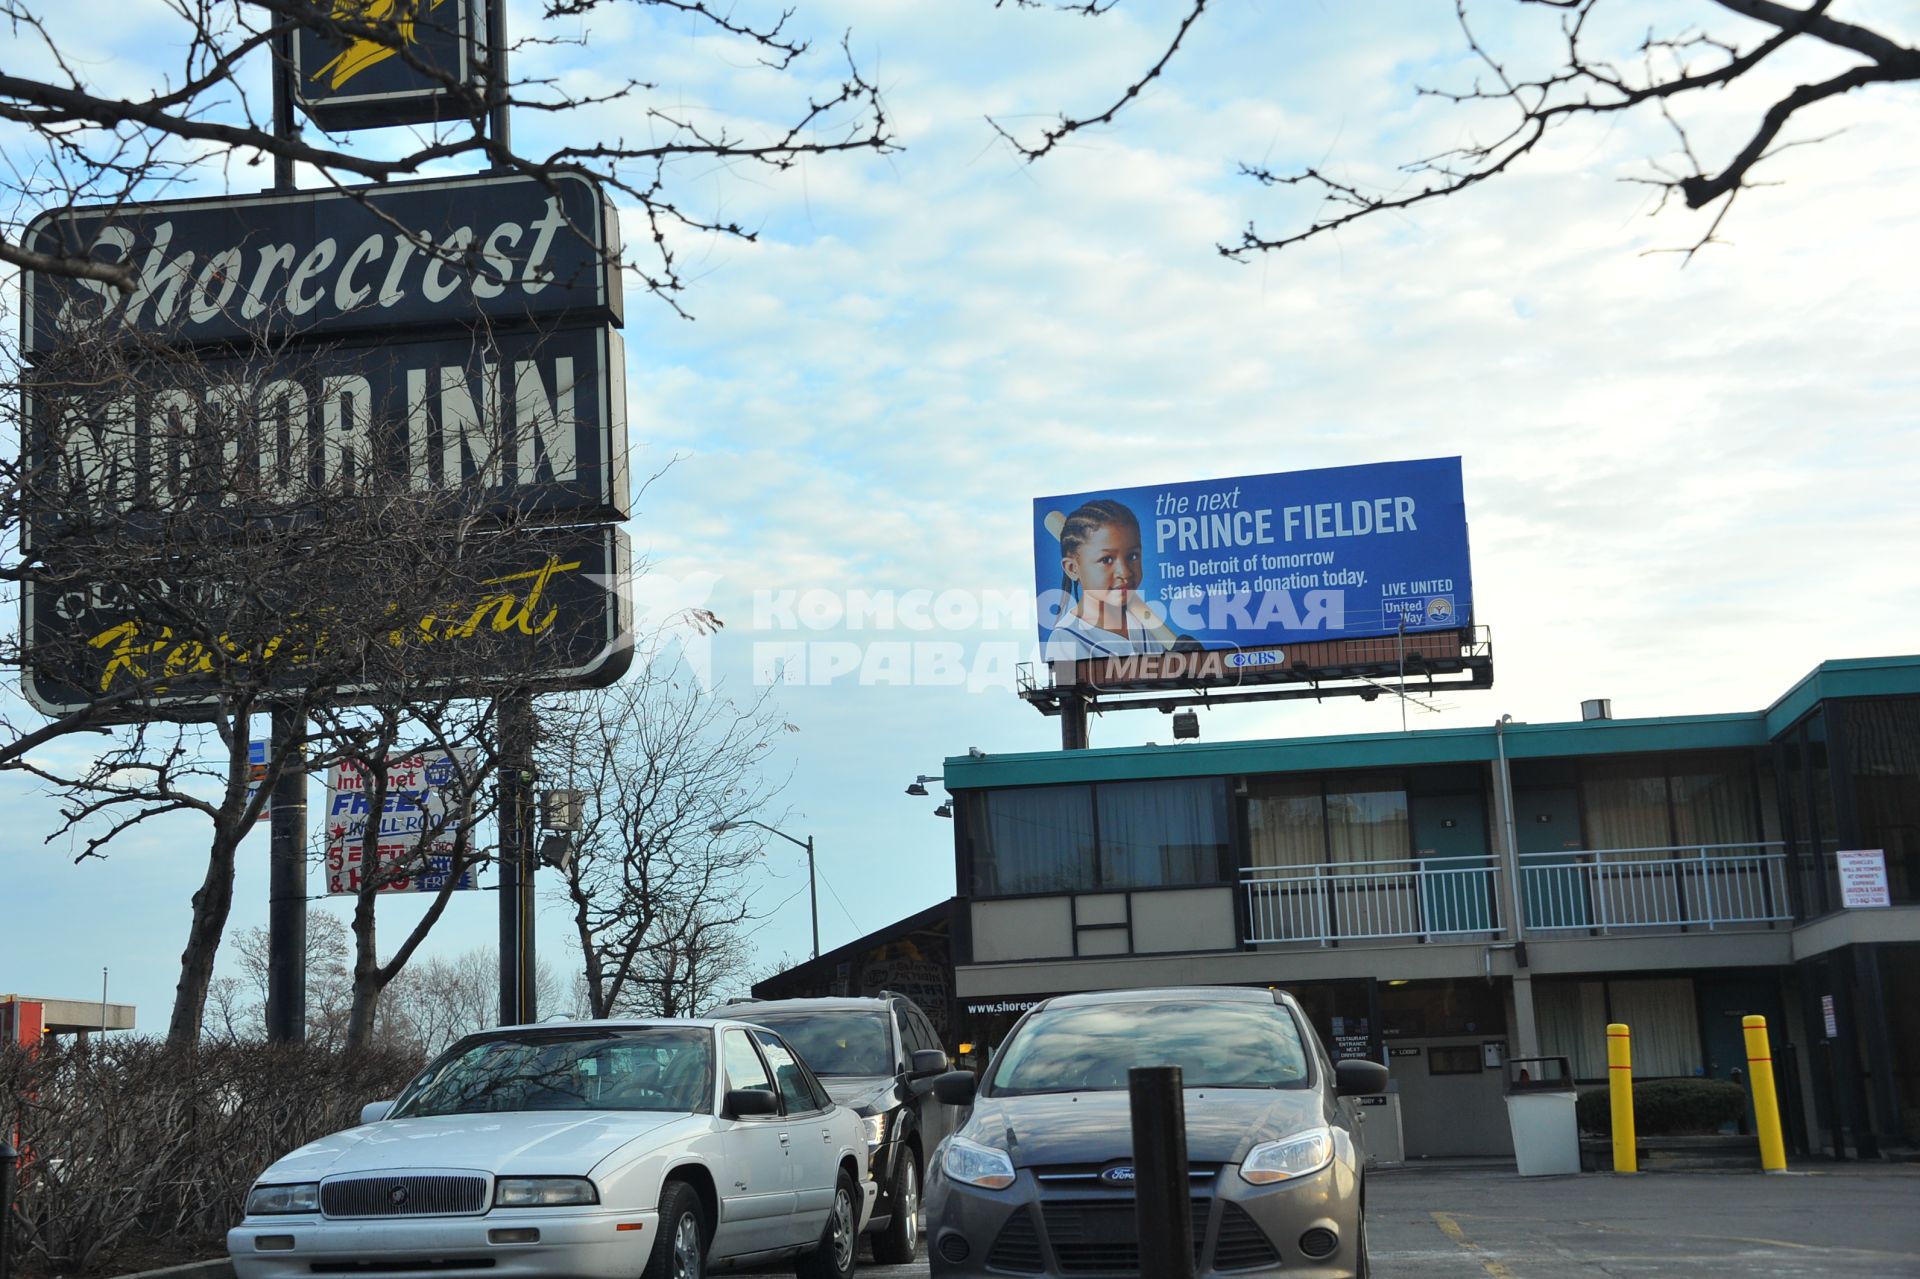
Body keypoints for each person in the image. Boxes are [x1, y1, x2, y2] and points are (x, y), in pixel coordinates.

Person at [1045, 498, 1170, 659]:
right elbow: (1067, 684)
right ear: (1072, 568)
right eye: (1106, 560)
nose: (1124, 573)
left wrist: (1185, 661)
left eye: (1132, 556)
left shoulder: (1151, 627)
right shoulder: (1063, 640)